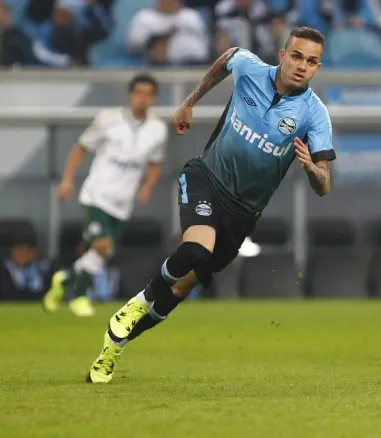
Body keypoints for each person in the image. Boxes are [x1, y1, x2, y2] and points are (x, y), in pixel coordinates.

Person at [86, 26, 335, 384]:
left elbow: (324, 185)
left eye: (311, 62)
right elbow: (227, 57)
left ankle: (113, 347)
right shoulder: (250, 68)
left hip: (243, 214)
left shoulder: (315, 114)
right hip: (207, 178)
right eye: (296, 56)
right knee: (195, 251)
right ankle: (138, 301)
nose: (302, 66)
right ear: (282, 55)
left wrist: (313, 170)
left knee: (179, 289)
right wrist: (190, 100)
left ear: (317, 68)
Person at [43, 74, 167, 317]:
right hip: (98, 193)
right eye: (138, 92)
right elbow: (80, 147)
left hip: (123, 201)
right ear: (130, 95)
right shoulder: (107, 120)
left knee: (98, 252)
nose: (142, 98)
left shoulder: (158, 129)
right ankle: (79, 297)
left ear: (153, 98)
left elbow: (155, 162)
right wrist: (67, 179)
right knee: (101, 246)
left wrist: (147, 186)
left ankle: (64, 280)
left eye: (148, 94)